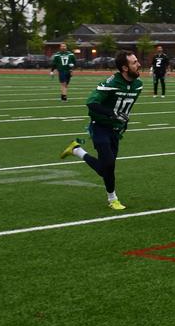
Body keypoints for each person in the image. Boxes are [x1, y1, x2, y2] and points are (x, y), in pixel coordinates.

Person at [59, 50, 143, 210]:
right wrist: (113, 114)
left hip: (116, 130)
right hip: (100, 127)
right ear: (125, 68)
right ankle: (113, 199)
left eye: (137, 61)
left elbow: (125, 106)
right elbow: (91, 103)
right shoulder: (111, 83)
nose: (138, 64)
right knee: (109, 164)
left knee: (107, 167)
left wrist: (122, 121)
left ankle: (77, 150)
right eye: (134, 62)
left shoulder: (138, 84)